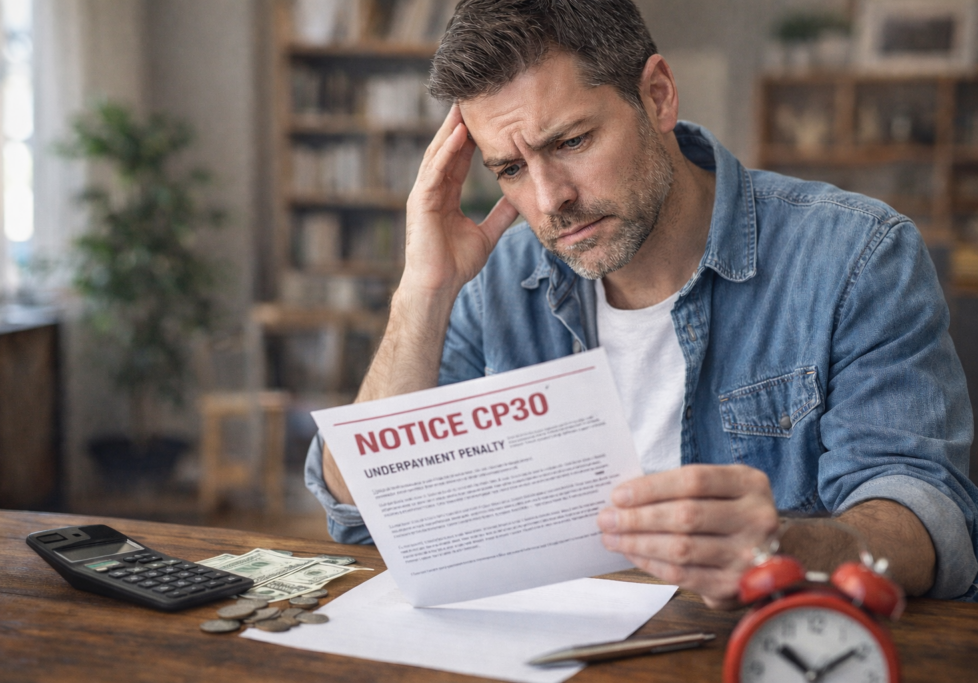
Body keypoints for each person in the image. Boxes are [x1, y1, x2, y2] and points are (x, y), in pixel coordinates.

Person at [305, 0, 978, 606]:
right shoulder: (497, 278)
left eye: (569, 142)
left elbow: (929, 525)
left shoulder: (855, 256)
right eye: (509, 170)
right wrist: (423, 289)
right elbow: (363, 511)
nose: (549, 200)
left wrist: (786, 546)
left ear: (656, 96)